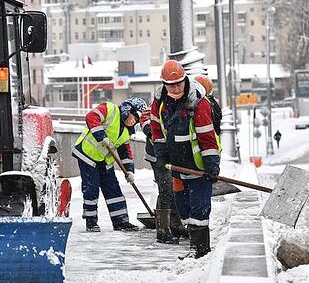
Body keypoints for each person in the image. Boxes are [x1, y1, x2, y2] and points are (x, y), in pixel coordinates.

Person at [150, 60, 221, 259]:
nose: (176, 88)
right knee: (183, 207)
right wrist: (161, 154)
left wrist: (211, 165)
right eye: (171, 85)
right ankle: (194, 246)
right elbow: (157, 130)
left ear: (185, 79)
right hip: (177, 165)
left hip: (198, 165)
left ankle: (201, 250)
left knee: (199, 206)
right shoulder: (160, 102)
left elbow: (207, 135)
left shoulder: (198, 101)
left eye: (179, 83)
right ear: (164, 84)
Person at [72, 97, 147, 232]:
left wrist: (129, 171)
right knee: (91, 188)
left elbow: (126, 153)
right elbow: (91, 117)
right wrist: (101, 136)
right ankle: (91, 222)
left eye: (136, 120)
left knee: (114, 190)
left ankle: (121, 222)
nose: (133, 121)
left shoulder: (126, 132)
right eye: (133, 116)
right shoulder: (110, 109)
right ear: (127, 110)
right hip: (88, 155)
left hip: (105, 162)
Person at [140, 108, 181, 244]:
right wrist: (153, 133)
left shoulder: (187, 103)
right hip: (158, 156)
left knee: (176, 188)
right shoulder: (161, 101)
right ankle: (163, 230)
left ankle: (176, 226)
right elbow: (145, 120)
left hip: (177, 155)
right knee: (166, 189)